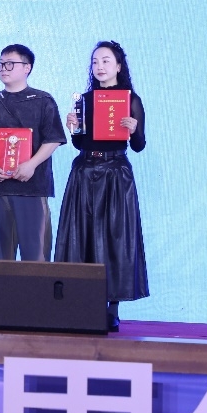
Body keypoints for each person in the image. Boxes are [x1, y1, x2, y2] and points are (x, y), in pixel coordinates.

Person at [55, 41, 148, 331]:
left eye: (106, 61)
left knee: (114, 238)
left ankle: (112, 307)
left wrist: (134, 130)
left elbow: (139, 146)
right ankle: (82, 304)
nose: (100, 66)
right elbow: (80, 143)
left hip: (115, 173)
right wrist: (74, 128)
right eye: (95, 61)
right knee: (80, 236)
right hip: (84, 171)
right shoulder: (84, 100)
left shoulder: (131, 100)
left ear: (119, 66)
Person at [0, 44, 67, 262]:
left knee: (36, 261)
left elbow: (53, 139)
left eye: (10, 64)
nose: (3, 68)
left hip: (32, 189)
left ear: (27, 67)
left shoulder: (43, 100)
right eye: (1, 64)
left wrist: (31, 164)